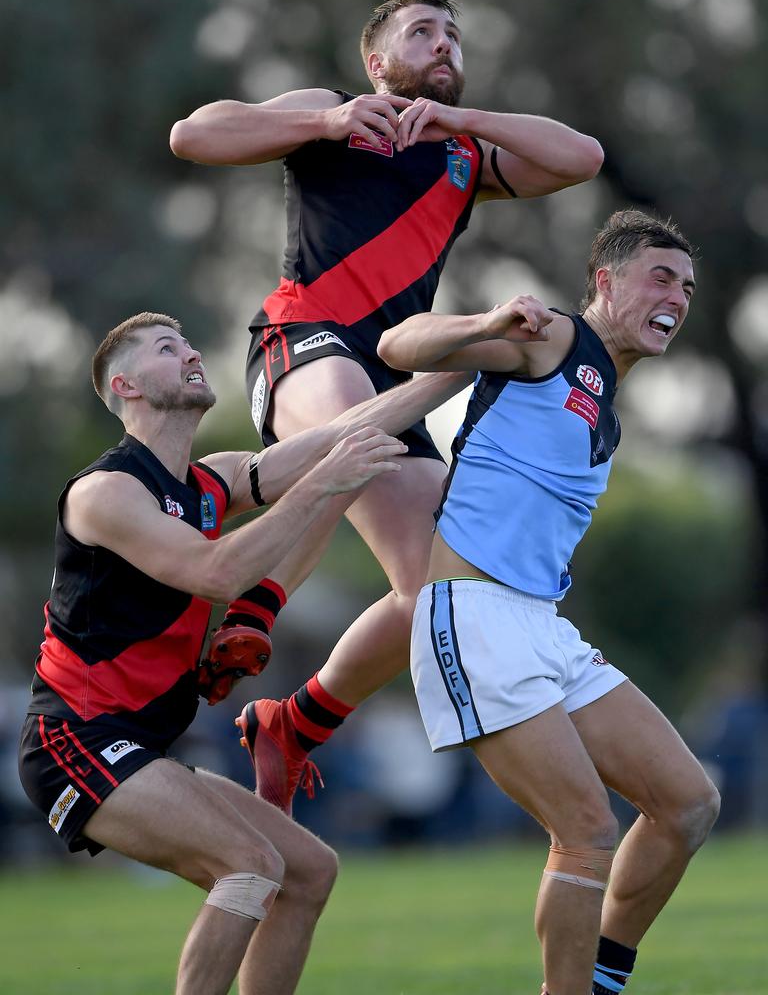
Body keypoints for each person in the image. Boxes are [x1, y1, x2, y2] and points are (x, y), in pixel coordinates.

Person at [169, 0, 605, 813]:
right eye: (422, 33)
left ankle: (296, 723)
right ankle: (251, 600)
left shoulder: (467, 156)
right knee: (353, 435)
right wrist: (327, 123)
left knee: (442, 593)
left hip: (393, 374)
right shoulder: (332, 111)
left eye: (453, 36)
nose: (444, 46)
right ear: (378, 62)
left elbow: (581, 157)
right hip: (303, 341)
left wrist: (467, 122)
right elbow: (194, 134)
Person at [17, 311, 471, 995]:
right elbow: (219, 573)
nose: (192, 353)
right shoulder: (104, 492)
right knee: (251, 864)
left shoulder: (212, 482)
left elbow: (341, 434)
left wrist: (471, 360)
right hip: (73, 741)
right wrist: (323, 480)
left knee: (309, 871)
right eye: (167, 349)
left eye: (190, 342)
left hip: (140, 742)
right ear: (126, 384)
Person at [377, 209, 721, 995]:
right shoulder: (555, 339)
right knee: (588, 832)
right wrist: (488, 319)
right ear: (605, 282)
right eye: (660, 277)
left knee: (688, 803)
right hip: (472, 615)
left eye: (689, 286)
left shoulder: (607, 396)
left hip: (539, 624)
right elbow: (397, 346)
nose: (678, 296)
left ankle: (601, 979)